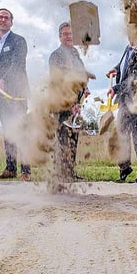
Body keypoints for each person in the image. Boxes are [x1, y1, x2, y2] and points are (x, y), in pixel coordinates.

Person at [0, 8, 31, 181]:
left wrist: (4, 79)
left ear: (11, 22)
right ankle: (10, 168)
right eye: (0, 17)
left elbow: (17, 64)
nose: (3, 19)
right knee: (8, 130)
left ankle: (26, 170)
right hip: (2, 93)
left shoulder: (19, 41)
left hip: (18, 92)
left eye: (7, 17)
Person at [48, 22, 91, 181]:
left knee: (73, 139)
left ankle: (70, 173)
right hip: (62, 103)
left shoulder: (76, 55)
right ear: (60, 37)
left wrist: (84, 89)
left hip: (76, 104)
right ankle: (61, 174)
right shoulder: (56, 55)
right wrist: (71, 102)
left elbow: (81, 77)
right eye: (65, 34)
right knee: (63, 140)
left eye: (71, 34)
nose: (69, 37)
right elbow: (59, 81)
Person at [107, 44, 137, 183]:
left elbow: (133, 78)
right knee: (122, 134)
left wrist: (115, 88)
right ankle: (124, 168)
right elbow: (123, 67)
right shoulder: (127, 48)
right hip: (124, 101)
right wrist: (116, 69)